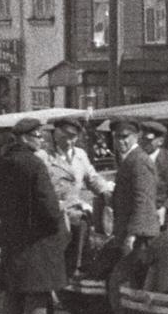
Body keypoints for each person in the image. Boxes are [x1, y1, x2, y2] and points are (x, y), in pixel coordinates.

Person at [0, 117, 67, 314]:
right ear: (24, 138)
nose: (41, 140)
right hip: (37, 236)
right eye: (38, 136)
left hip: (11, 233)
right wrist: (55, 222)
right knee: (37, 288)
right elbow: (48, 203)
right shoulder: (34, 165)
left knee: (13, 287)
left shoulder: (0, 163)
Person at [37, 116, 113, 275]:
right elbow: (38, 189)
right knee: (79, 220)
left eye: (72, 137)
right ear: (55, 135)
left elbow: (92, 178)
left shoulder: (80, 155)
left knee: (90, 222)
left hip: (75, 207)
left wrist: (106, 191)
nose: (68, 142)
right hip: (52, 209)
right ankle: (72, 268)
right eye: (63, 137)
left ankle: (82, 265)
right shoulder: (43, 157)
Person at [109, 117, 160, 314]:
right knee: (130, 282)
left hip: (141, 234)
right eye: (117, 137)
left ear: (136, 137)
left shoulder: (138, 160)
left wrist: (133, 234)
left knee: (127, 282)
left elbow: (143, 200)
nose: (120, 142)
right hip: (133, 231)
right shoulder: (129, 159)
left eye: (124, 137)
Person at [139, 120, 168, 227]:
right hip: (140, 210)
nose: (144, 143)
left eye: (148, 140)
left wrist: (164, 208)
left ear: (160, 141)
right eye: (142, 139)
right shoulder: (135, 159)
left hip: (166, 210)